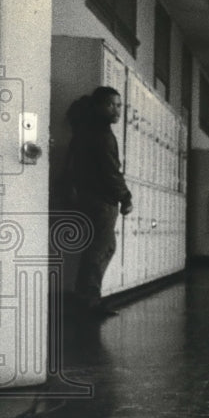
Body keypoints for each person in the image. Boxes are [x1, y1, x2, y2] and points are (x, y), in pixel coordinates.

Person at [65, 86, 133, 318]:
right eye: (110, 105)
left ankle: (87, 298)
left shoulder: (85, 129)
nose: (116, 110)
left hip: (88, 196)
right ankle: (87, 302)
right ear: (97, 107)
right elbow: (111, 171)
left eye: (119, 105)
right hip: (101, 199)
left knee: (103, 247)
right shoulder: (102, 135)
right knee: (99, 249)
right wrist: (125, 197)